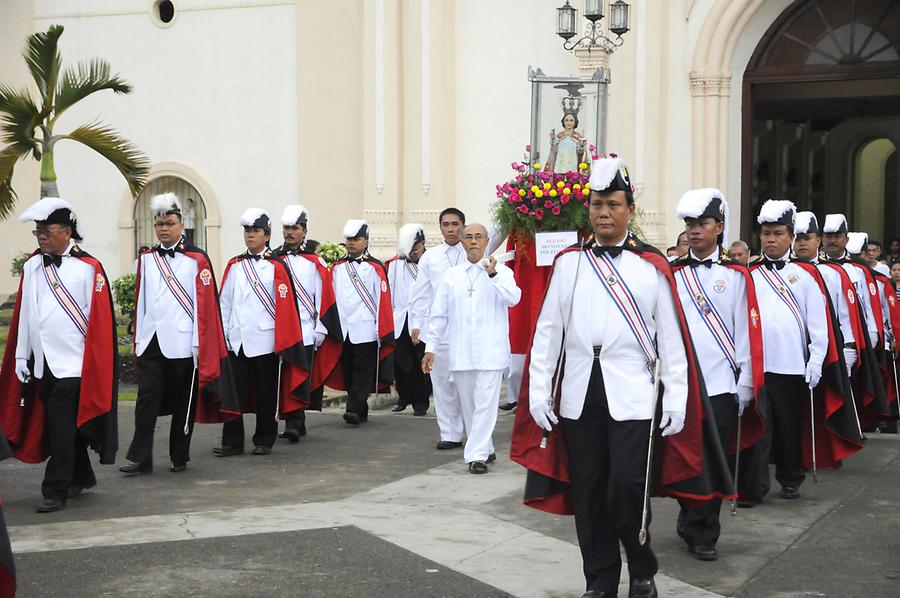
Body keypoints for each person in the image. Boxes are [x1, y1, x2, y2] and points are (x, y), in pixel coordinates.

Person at [511, 155, 734, 598]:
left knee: (629, 488)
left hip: (633, 392)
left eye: (613, 204)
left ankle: (642, 568)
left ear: (630, 209)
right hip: (577, 393)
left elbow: (672, 340)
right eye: (597, 205)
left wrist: (675, 400)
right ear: (588, 209)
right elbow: (547, 332)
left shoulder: (650, 264)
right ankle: (599, 580)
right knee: (590, 491)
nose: (604, 213)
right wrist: (539, 393)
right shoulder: (570, 263)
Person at [0, 197, 117, 513]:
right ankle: (81, 476)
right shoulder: (32, 265)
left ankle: (56, 489)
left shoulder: (87, 268)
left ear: (66, 231)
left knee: (60, 427)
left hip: (75, 365)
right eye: (37, 230)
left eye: (46, 229)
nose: (40, 235)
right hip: (43, 364)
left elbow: (99, 324)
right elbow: (27, 313)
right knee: (67, 426)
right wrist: (22, 357)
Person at [670, 189, 764, 561]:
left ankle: (704, 531)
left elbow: (746, 331)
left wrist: (745, 382)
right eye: (690, 224)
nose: (694, 231)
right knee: (681, 455)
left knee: (715, 458)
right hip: (681, 384)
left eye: (702, 224)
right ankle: (687, 509)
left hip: (722, 384)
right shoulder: (672, 273)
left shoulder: (737, 275)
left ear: (719, 227)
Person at [120, 193, 238, 476]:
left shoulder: (196, 259)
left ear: (181, 225)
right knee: (145, 402)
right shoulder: (147, 259)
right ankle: (140, 458)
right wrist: (139, 339)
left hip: (185, 343)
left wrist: (199, 343)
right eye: (159, 223)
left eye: (169, 223)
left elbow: (205, 306)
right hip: (152, 341)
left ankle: (179, 455)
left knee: (183, 402)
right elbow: (143, 302)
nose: (163, 228)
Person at [421, 223, 521, 473]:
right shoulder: (452, 275)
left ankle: (475, 456)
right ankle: (485, 447)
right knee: (470, 406)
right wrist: (430, 347)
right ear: (463, 242)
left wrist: (493, 275)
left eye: (478, 237)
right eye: (469, 237)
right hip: (462, 351)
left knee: (486, 404)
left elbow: (513, 298)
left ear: (487, 240)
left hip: (491, 351)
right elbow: (439, 315)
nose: (473, 241)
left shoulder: (501, 272)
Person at [747, 200, 828, 501]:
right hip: (758, 364)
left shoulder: (806, 276)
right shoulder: (750, 273)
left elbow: (818, 324)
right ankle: (755, 486)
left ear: (791, 237)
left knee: (788, 426)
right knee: (759, 426)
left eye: (778, 233)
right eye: (766, 233)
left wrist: (816, 360)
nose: (770, 239)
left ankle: (791, 477)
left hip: (792, 365)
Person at [215, 209, 308, 456]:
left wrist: (283, 342)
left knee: (266, 393)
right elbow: (225, 302)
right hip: (237, 340)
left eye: (255, 231)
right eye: (247, 231)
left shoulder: (276, 266)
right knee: (233, 393)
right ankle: (232, 442)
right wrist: (223, 334)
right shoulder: (234, 265)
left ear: (266, 236)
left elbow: (285, 309)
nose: (250, 236)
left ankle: (264, 439)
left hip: (266, 341)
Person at [273, 205, 343, 442]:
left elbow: (322, 297)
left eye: (295, 228)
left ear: (304, 230)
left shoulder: (315, 262)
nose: (289, 232)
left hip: (304, 327)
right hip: (279, 329)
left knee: (300, 374)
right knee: (282, 377)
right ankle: (288, 420)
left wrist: (320, 329)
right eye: (286, 228)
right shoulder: (273, 258)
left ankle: (296, 422)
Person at [409, 208, 467, 449]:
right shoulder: (430, 257)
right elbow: (420, 294)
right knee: (442, 385)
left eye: (455, 224)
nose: (451, 229)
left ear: (463, 226)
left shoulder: (474, 251)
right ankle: (450, 433)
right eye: (446, 224)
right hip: (439, 331)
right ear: (440, 227)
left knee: (466, 386)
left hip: (466, 330)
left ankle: (472, 432)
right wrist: (416, 324)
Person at [328, 220, 395, 425]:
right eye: (349, 239)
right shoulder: (338, 268)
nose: (351, 243)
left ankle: (353, 408)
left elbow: (382, 300)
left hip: (366, 328)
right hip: (344, 328)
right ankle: (361, 407)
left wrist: (381, 329)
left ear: (365, 241)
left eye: (356, 239)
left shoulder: (375, 267)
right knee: (348, 370)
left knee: (362, 370)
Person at [387, 223, 432, 416]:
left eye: (416, 248)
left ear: (423, 244)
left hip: (423, 320)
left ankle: (420, 403)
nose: (413, 253)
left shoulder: (430, 261)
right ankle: (403, 397)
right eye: (410, 249)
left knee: (420, 362)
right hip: (400, 319)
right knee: (401, 363)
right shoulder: (395, 264)